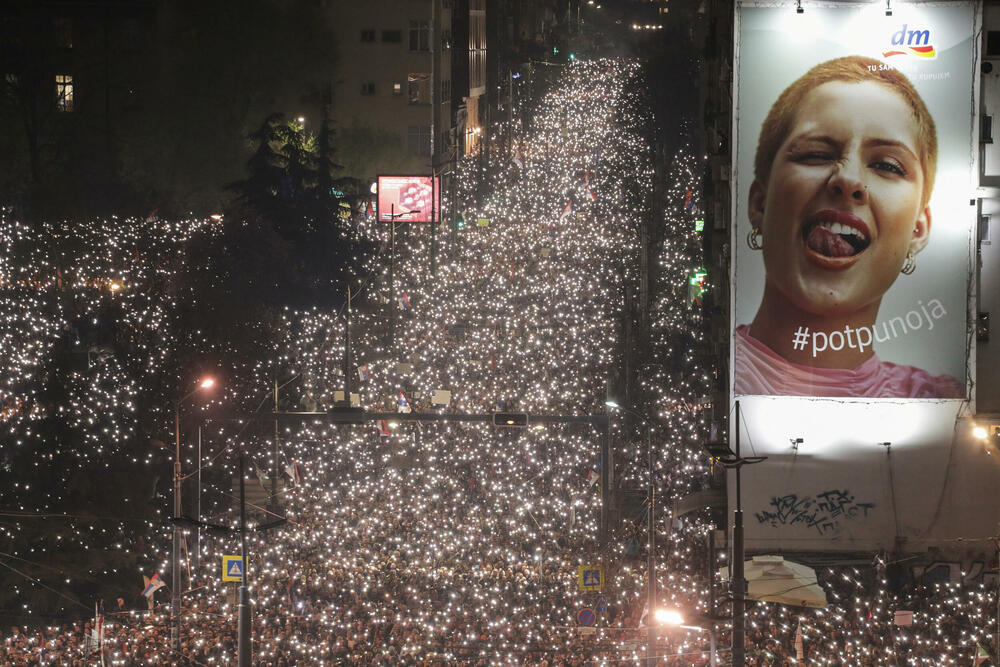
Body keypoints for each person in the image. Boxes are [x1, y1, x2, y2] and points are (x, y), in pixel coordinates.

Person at [735, 55, 963, 398]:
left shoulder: (946, 403)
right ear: (759, 204)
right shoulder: (697, 384)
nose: (849, 179)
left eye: (887, 165)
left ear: (919, 230)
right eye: (815, 154)